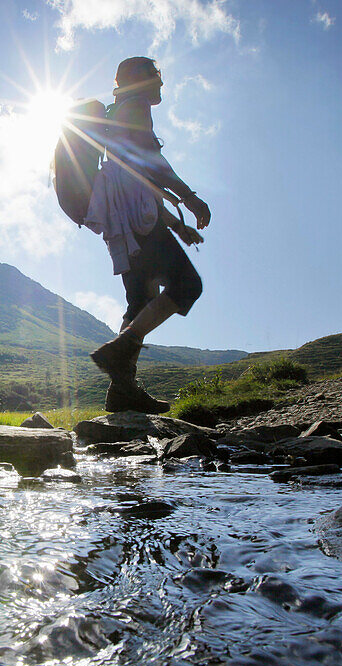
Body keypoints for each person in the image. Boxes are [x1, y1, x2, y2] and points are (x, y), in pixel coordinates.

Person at [84, 57, 211, 413]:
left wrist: (176, 225)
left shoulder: (116, 114)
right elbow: (152, 167)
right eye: (157, 77)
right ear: (142, 81)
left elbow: (137, 180)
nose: (161, 84)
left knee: (140, 302)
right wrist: (190, 197)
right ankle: (121, 349)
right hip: (138, 221)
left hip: (123, 221)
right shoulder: (136, 107)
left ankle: (122, 393)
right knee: (187, 286)